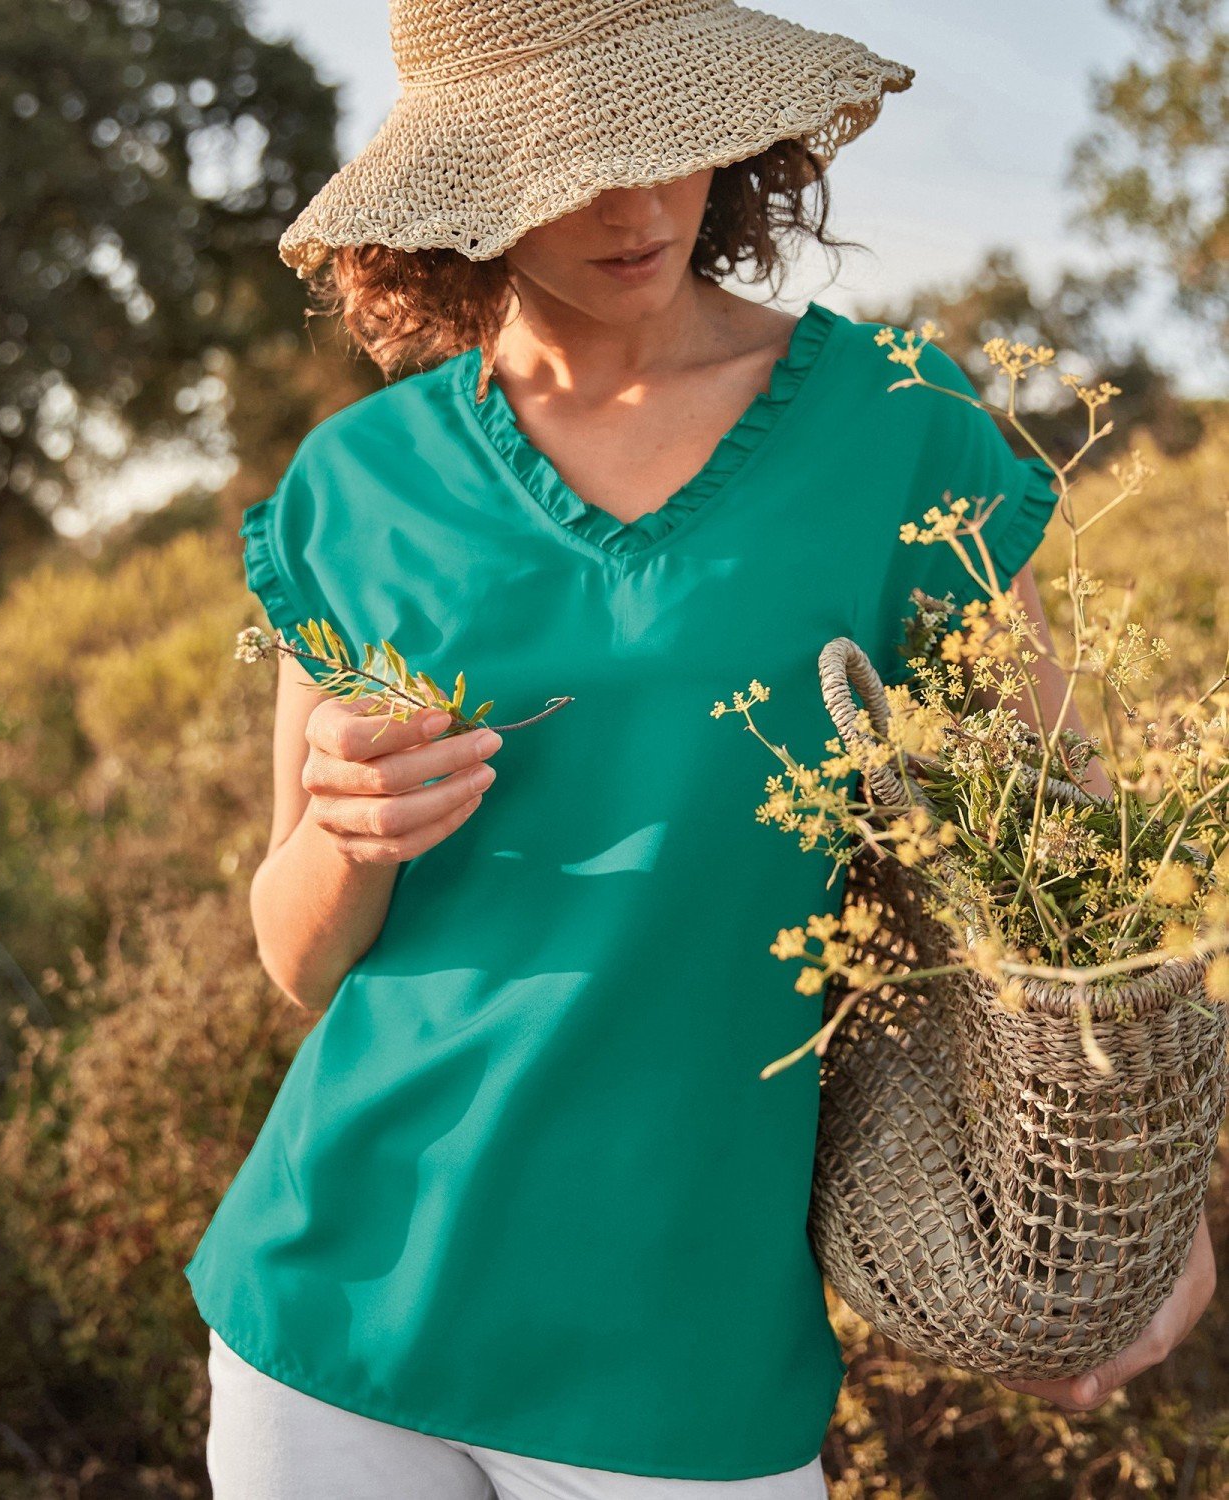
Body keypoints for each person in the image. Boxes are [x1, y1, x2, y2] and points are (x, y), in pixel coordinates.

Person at [182, 1, 1218, 1495]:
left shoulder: (896, 430)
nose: (641, 197)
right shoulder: (358, 484)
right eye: (574, 159)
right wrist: (338, 835)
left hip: (683, 1353)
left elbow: (1072, 854)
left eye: (671, 135)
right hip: (331, 1312)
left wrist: (1149, 1207)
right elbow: (300, 964)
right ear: (467, 191)